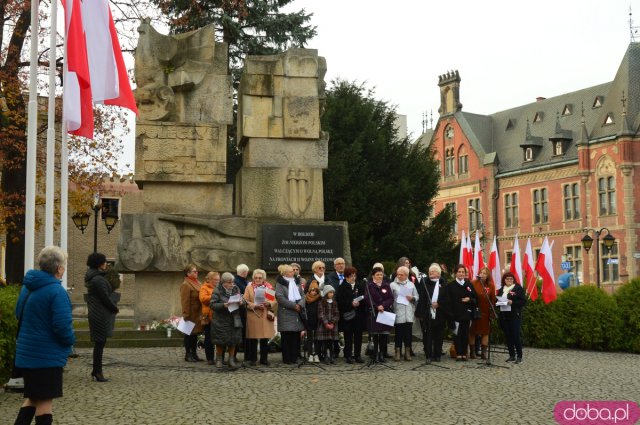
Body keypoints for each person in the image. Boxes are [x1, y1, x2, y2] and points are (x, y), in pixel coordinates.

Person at [13, 246, 75, 425]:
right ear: (59, 268)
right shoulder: (56, 292)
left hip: (27, 354)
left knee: (32, 397)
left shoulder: (28, 288)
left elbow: (19, 314)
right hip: (46, 357)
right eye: (63, 265)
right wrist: (70, 341)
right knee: (45, 401)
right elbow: (62, 327)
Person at [84, 252, 119, 382]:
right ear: (99, 264)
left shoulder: (94, 276)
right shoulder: (98, 279)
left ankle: (96, 370)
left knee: (100, 342)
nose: (106, 264)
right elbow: (105, 297)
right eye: (104, 262)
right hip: (100, 313)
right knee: (100, 343)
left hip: (96, 311)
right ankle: (97, 371)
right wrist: (114, 308)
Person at [243, 269, 277, 366]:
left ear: (263, 279)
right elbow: (245, 301)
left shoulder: (269, 287)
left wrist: (268, 303)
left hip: (265, 315)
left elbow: (274, 301)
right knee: (253, 338)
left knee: (264, 338)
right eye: (256, 278)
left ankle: (264, 359)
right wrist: (254, 305)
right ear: (253, 278)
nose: (258, 279)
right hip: (253, 315)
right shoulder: (249, 287)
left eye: (260, 278)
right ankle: (253, 359)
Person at [415, 263, 448, 362]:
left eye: (433, 271)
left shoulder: (443, 283)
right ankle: (428, 354)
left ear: (439, 273)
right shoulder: (424, 282)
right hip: (427, 313)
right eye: (430, 272)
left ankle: (437, 354)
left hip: (440, 313)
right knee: (427, 335)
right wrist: (420, 313)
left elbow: (446, 299)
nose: (431, 273)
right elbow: (421, 298)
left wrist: (439, 304)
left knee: (439, 335)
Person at [210, 272, 243, 370]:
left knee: (233, 340)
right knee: (220, 340)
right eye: (229, 282)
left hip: (234, 319)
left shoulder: (236, 288)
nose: (232, 284)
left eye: (232, 282)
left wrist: (242, 302)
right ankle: (219, 360)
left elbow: (242, 299)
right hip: (221, 320)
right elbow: (212, 305)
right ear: (223, 282)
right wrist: (223, 305)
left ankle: (231, 360)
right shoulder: (217, 290)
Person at [275, 264, 305, 365]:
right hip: (286, 312)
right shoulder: (280, 283)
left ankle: (295, 357)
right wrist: (293, 305)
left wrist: (300, 305)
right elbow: (280, 297)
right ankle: (287, 358)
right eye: (291, 271)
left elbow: (302, 295)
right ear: (285, 273)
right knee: (287, 336)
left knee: (296, 336)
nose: (294, 272)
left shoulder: (297, 281)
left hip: (297, 312)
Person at [446, 264, 478, 361]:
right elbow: (448, 301)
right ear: (455, 273)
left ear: (465, 274)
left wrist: (470, 299)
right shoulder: (450, 286)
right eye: (459, 272)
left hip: (466, 314)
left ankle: (464, 353)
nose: (461, 274)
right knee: (457, 335)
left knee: (465, 334)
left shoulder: (469, 285)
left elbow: (476, 299)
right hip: (455, 314)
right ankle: (458, 353)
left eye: (463, 272)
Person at [336, 266, 366, 363]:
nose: (353, 278)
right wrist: (350, 304)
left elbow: (364, 299)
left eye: (354, 275)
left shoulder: (360, 286)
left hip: (358, 316)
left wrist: (359, 302)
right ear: (346, 277)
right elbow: (340, 302)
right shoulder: (341, 288)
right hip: (347, 316)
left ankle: (357, 355)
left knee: (358, 336)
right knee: (348, 337)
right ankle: (348, 355)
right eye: (351, 276)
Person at [365, 266, 394, 362]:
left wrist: (383, 305)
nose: (379, 276)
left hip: (385, 312)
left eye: (381, 275)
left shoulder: (386, 285)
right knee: (375, 335)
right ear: (373, 276)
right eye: (377, 275)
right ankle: (375, 354)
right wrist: (377, 306)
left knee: (383, 335)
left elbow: (391, 298)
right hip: (374, 313)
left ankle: (382, 354)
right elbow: (367, 298)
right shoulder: (369, 286)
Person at [390, 266, 419, 361]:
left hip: (409, 313)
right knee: (398, 334)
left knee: (408, 335)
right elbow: (389, 298)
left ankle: (407, 352)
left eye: (401, 274)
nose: (399, 276)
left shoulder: (411, 284)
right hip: (398, 312)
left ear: (406, 275)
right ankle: (397, 352)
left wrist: (413, 298)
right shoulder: (392, 285)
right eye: (398, 274)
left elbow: (417, 296)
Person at [498, 272, 527, 364]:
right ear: (504, 280)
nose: (509, 280)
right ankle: (511, 355)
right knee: (508, 336)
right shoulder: (501, 289)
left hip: (514, 315)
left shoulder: (518, 288)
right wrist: (498, 303)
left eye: (511, 279)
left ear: (513, 279)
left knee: (515, 335)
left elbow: (523, 302)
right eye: (507, 279)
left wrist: (512, 302)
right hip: (504, 316)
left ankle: (519, 356)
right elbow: (497, 300)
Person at [469, 266, 497, 360]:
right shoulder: (473, 283)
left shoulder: (491, 285)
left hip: (485, 313)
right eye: (481, 273)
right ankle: (472, 352)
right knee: (472, 332)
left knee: (485, 333)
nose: (482, 274)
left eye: (484, 273)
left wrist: (492, 313)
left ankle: (484, 353)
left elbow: (493, 300)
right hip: (474, 312)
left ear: (488, 275)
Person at [180, 264, 203, 362]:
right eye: (194, 271)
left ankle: (194, 354)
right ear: (188, 273)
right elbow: (184, 301)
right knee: (188, 335)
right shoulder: (186, 284)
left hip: (197, 313)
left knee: (195, 334)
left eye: (197, 271)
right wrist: (186, 314)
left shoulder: (198, 282)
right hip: (190, 313)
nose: (196, 273)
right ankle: (188, 354)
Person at [199, 271, 220, 365]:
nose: (218, 281)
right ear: (210, 280)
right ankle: (210, 358)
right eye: (216, 279)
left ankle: (219, 357)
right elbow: (203, 299)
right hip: (208, 316)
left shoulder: (219, 288)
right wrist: (214, 296)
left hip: (218, 316)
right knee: (209, 338)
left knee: (218, 338)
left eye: (218, 279)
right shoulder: (204, 287)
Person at [317, 285, 340, 364]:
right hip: (324, 326)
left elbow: (337, 314)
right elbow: (321, 314)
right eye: (330, 292)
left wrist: (333, 323)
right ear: (326, 293)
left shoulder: (334, 302)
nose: (332, 294)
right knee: (324, 342)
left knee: (332, 343)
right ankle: (325, 356)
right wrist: (326, 323)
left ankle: (332, 356)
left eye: (333, 292)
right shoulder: (321, 302)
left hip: (333, 326)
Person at [303, 279, 321, 363]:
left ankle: (317, 354)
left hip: (318, 322)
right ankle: (310, 354)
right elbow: (303, 311)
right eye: (312, 290)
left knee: (317, 339)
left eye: (315, 291)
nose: (314, 292)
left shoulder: (319, 299)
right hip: (309, 321)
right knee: (309, 339)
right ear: (309, 291)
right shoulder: (306, 299)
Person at [234, 264, 250, 360]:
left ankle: (240, 355)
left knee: (242, 333)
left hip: (243, 310)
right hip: (240, 311)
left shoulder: (243, 281)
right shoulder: (238, 282)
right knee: (238, 333)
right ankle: (234, 355)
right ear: (245, 273)